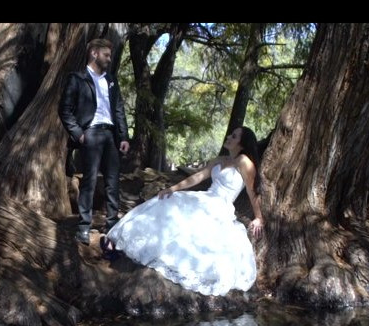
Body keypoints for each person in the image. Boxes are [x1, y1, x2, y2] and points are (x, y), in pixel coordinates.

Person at [103, 126, 264, 296]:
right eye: (231, 134)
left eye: (234, 136)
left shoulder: (244, 162)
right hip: (206, 197)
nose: (229, 137)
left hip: (221, 206)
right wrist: (172, 189)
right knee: (168, 202)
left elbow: (252, 191)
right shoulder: (220, 159)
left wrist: (259, 217)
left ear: (242, 143)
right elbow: (197, 177)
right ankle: (123, 241)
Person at [59, 38, 130, 245]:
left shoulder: (111, 80)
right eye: (106, 55)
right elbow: (64, 109)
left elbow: (119, 110)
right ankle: (83, 227)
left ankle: (111, 224)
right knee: (89, 181)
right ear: (94, 54)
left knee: (112, 182)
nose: (109, 59)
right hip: (90, 134)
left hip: (111, 136)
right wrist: (78, 133)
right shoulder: (77, 79)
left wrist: (123, 136)